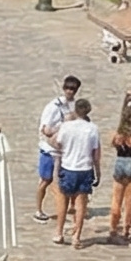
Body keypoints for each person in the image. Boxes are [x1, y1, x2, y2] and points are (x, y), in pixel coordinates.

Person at [53, 97, 101, 249]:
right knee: (81, 205)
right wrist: (98, 172)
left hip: (68, 167)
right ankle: (76, 236)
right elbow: (96, 153)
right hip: (85, 168)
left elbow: (57, 143)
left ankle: (59, 233)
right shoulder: (92, 128)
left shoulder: (67, 127)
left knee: (63, 202)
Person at [36, 76, 81, 222]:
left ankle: (70, 206)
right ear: (63, 88)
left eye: (73, 89)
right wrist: (63, 126)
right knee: (46, 180)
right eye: (67, 88)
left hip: (66, 151)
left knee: (68, 180)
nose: (70, 91)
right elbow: (45, 130)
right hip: (50, 150)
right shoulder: (53, 107)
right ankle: (38, 209)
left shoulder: (74, 106)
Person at [108, 100, 131, 244]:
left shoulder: (116, 135)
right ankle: (127, 229)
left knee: (116, 200)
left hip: (119, 163)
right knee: (130, 201)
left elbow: (112, 145)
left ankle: (112, 227)